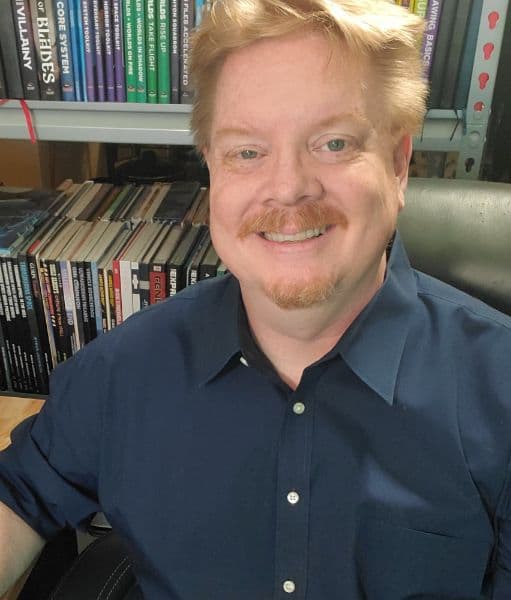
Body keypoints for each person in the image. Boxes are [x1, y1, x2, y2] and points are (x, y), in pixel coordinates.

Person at [1, 0, 510, 597]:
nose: (288, 188)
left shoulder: (499, 392)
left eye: (334, 143)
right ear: (212, 171)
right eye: (247, 152)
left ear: (399, 166)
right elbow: (19, 497)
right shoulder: (123, 369)